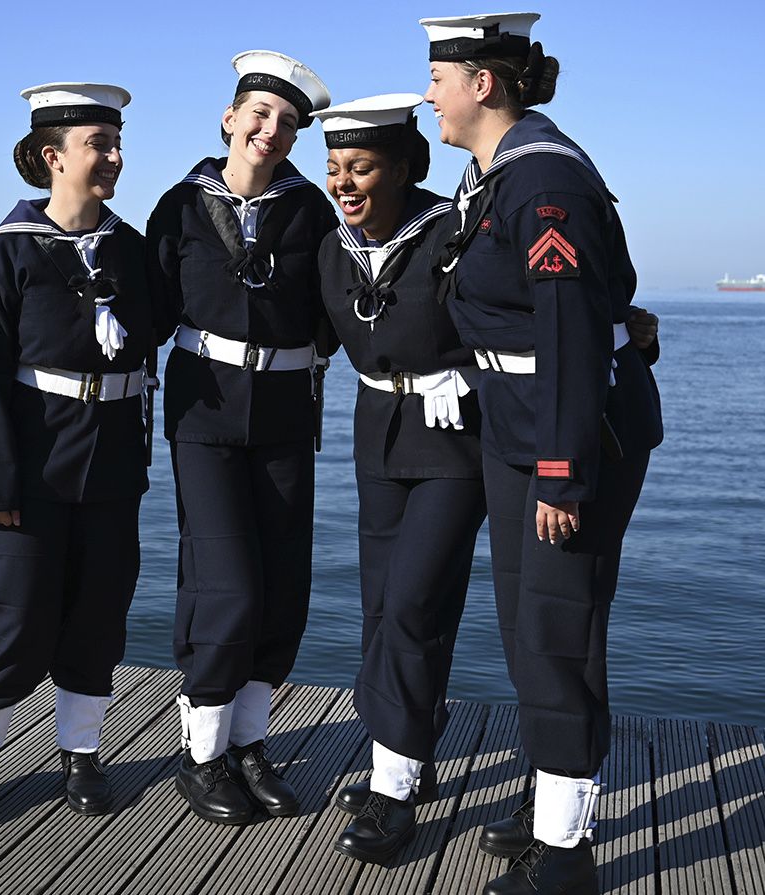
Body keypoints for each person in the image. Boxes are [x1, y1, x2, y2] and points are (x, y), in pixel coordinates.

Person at [421, 12, 663, 895]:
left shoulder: (543, 183)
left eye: (438, 78)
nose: (429, 94)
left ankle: (566, 860)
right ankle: (548, 801)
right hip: (519, 427)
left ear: (483, 83)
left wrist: (562, 466)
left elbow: (567, 328)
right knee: (530, 634)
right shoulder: (492, 177)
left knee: (557, 635)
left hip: (566, 436)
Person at [0, 82, 167, 831]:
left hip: (111, 467)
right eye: (98, 144)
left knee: (99, 613)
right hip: (31, 473)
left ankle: (81, 752)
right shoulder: (4, 256)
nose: (114, 157)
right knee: (16, 616)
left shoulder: (132, 252)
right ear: (51, 157)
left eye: (116, 142)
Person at [145, 50, 337, 826]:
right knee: (225, 583)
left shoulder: (313, 212)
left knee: (284, 581)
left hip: (289, 409)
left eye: (288, 123)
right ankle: (202, 753)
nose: (272, 129)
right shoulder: (181, 208)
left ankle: (250, 743)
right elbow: (144, 313)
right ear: (229, 118)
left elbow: (346, 304)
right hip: (206, 412)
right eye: (259, 114)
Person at [308, 93, 481, 864]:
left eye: (363, 167)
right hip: (378, 439)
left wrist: (466, 370)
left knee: (414, 602)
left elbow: (520, 315)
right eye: (336, 167)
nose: (345, 183)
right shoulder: (330, 248)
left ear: (406, 168)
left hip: (454, 439)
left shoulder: (456, 233)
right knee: (385, 607)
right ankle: (413, 746)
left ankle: (394, 788)